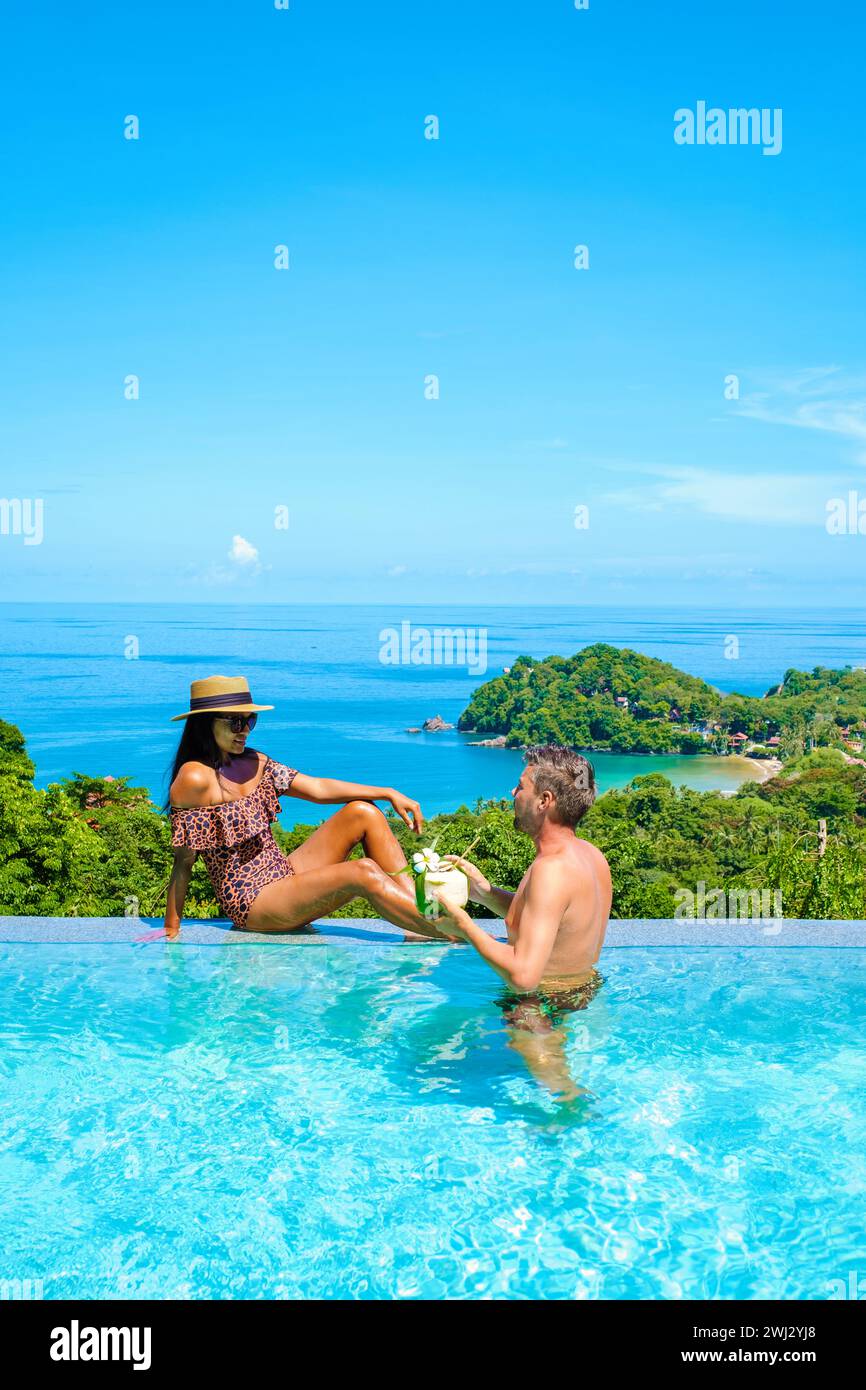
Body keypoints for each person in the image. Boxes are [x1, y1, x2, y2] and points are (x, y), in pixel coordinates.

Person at [163, 675, 449, 940]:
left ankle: (421, 921)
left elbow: (318, 788)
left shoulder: (255, 762)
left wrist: (387, 793)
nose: (245, 731)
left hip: (283, 873)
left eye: (250, 721)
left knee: (363, 812)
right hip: (251, 901)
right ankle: (451, 932)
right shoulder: (194, 778)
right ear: (205, 723)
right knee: (362, 872)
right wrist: (170, 929)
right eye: (235, 723)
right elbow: (184, 862)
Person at [434, 745, 612, 1039]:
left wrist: (463, 926)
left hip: (537, 1007)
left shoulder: (551, 870)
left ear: (544, 800)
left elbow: (523, 977)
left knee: (558, 1085)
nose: (512, 793)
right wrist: (484, 892)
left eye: (520, 786)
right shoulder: (589, 854)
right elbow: (553, 922)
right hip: (580, 989)